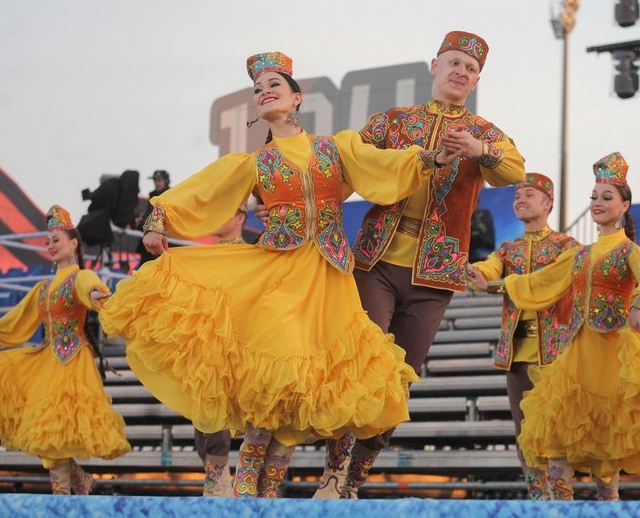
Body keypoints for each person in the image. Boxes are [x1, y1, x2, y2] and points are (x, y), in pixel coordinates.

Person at [100, 51, 459, 499]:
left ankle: (285, 491)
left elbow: (382, 167)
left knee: (323, 378)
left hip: (329, 275)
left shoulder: (336, 147)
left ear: (296, 98)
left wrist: (430, 158)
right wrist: (159, 218)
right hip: (278, 273)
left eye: (274, 84)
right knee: (272, 374)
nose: (264, 91)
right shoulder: (254, 163)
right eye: (257, 88)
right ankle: (247, 490)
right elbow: (202, 189)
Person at [307, 30, 525, 499]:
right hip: (375, 260)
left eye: (470, 68)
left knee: (400, 380)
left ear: (477, 79)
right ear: (434, 66)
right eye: (453, 63)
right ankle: (332, 472)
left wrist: (480, 151)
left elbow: (516, 171)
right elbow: (346, 166)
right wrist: (303, 209)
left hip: (435, 273)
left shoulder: (482, 132)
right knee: (361, 366)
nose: (460, 72)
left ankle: (355, 479)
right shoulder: (393, 121)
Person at [467, 153, 640, 501]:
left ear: (625, 205)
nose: (597, 203)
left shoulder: (627, 251)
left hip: (611, 348)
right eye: (594, 197)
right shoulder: (578, 255)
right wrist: (489, 284)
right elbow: (538, 282)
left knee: (606, 430)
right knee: (559, 427)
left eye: (606, 198)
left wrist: (638, 307)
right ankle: (555, 508)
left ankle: (607, 504)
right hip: (576, 351)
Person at [0, 205, 130, 494]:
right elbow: (18, 316)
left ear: (73, 243)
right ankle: (79, 480)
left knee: (52, 431)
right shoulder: (43, 289)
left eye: (56, 240)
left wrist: (97, 295)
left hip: (71, 362)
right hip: (47, 360)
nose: (50, 246)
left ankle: (61, 498)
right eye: (47, 241)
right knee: (45, 432)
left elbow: (88, 286)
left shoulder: (78, 278)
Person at [468, 173, 580, 500]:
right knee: (524, 433)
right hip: (516, 354)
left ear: (548, 203)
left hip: (555, 352)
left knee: (555, 429)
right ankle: (537, 498)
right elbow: (491, 266)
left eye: (528, 195)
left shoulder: (567, 247)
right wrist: (480, 273)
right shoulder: (509, 249)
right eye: (517, 195)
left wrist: (497, 284)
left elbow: (549, 283)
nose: (520, 199)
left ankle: (562, 498)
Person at [193, 202, 248, 497]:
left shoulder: (251, 255)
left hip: (235, 345)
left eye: (223, 209)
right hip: (206, 343)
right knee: (201, 425)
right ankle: (218, 478)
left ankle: (220, 482)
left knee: (216, 415)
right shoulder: (204, 255)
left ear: (240, 217)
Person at [135, 170, 171, 267]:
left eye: (159, 180)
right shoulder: (152, 196)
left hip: (165, 241)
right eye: (155, 180)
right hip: (149, 242)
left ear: (166, 181)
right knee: (146, 267)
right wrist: (142, 220)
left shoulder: (169, 196)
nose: (156, 183)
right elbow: (150, 215)